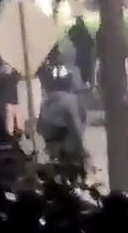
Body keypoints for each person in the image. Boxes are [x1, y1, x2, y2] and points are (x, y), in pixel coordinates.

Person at [37, 47, 88, 176]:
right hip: (66, 145)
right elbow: (76, 125)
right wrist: (79, 148)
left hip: (51, 143)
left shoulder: (46, 101)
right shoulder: (71, 100)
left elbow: (40, 127)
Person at [67, 16, 95, 90]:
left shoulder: (77, 31)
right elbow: (91, 42)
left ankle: (86, 82)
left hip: (82, 52)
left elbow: (71, 35)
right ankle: (88, 82)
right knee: (87, 68)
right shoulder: (83, 31)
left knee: (84, 68)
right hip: (85, 52)